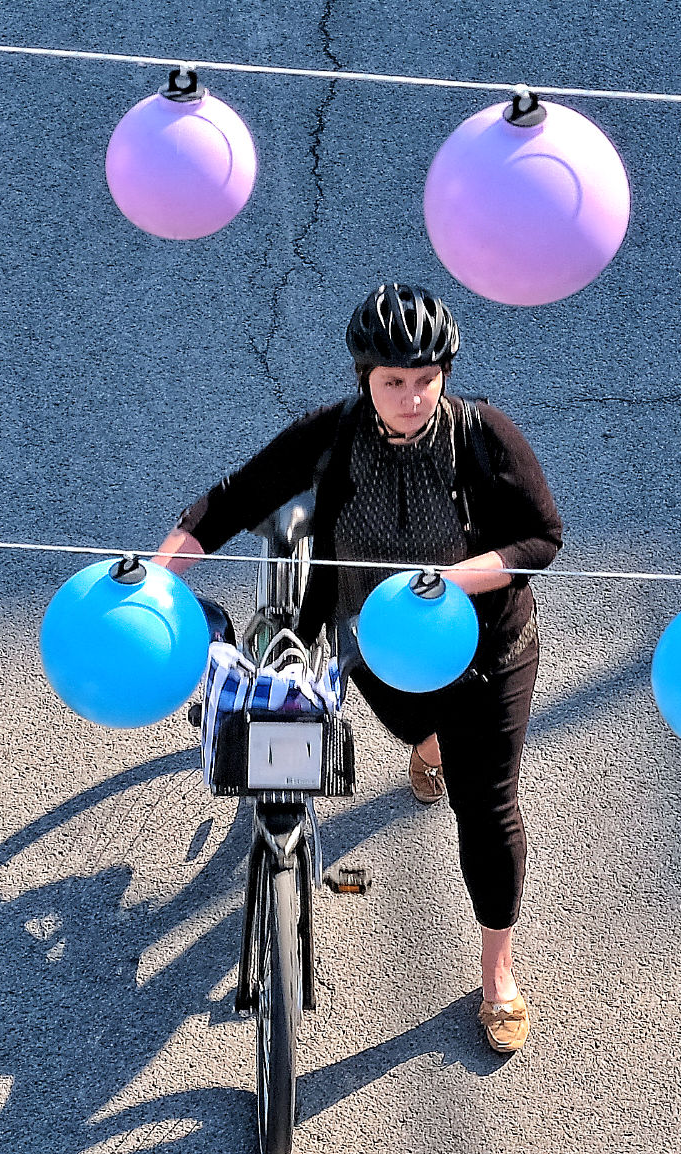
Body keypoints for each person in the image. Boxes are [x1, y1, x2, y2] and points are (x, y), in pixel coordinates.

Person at [150, 283, 564, 1055]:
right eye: (392, 382)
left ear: (445, 372)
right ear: (364, 379)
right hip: (374, 647)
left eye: (425, 379)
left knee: (488, 808)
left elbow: (542, 539)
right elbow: (235, 499)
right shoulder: (336, 435)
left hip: (488, 654)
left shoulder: (484, 436)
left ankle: (497, 970)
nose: (410, 397)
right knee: (413, 727)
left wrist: (452, 579)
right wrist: (156, 576)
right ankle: (427, 743)